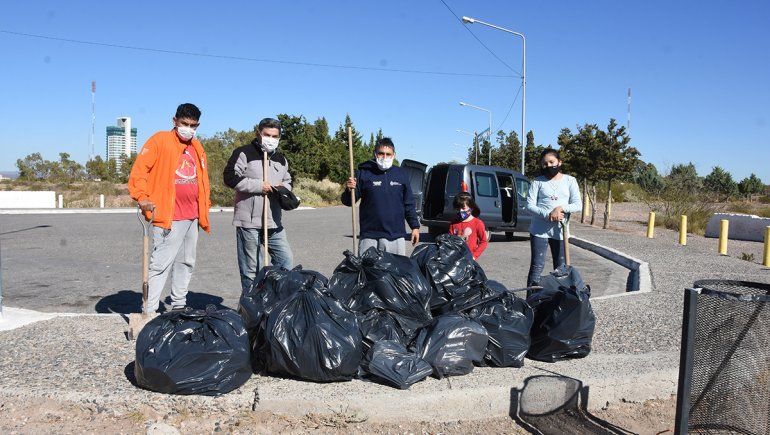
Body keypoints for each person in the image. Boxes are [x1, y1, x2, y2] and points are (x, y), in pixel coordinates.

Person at [128, 103, 211, 313]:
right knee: (160, 265)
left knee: (186, 262)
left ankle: (178, 305)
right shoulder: (159, 140)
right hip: (168, 216)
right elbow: (139, 172)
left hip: (193, 216)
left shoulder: (197, 147)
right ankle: (150, 310)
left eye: (193, 125)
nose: (188, 128)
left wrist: (204, 207)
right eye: (184, 123)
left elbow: (202, 179)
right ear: (174, 121)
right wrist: (142, 197)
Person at [223, 117, 294, 293]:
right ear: (259, 133)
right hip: (249, 222)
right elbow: (229, 177)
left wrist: (282, 190)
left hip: (273, 221)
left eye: (275, 136)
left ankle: (275, 299)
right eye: (267, 135)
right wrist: (258, 186)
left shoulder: (281, 159)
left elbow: (288, 180)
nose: (271, 139)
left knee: (285, 261)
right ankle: (251, 308)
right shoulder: (244, 152)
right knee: (251, 270)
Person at [343, 137, 420, 256]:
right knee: (368, 273)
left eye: (388, 154)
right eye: (381, 153)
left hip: (395, 236)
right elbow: (348, 201)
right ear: (375, 154)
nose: (384, 157)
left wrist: (415, 227)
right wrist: (349, 190)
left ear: (394, 155)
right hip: (369, 236)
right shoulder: (363, 174)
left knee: (396, 273)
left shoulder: (401, 174)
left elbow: (408, 203)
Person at [525, 148, 582, 286]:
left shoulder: (570, 181)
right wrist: (547, 214)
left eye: (552, 162)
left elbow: (577, 205)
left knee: (561, 268)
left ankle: (559, 300)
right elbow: (529, 205)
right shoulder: (537, 182)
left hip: (560, 231)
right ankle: (532, 301)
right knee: (537, 266)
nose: (549, 166)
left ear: (559, 162)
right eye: (545, 164)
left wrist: (560, 208)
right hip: (539, 231)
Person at [448, 192, 488, 260]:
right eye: (458, 208)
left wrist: (474, 256)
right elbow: (449, 240)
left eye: (463, 208)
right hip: (455, 258)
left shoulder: (477, 223)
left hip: (469, 259)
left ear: (471, 208)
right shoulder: (453, 223)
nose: (460, 211)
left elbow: (483, 242)